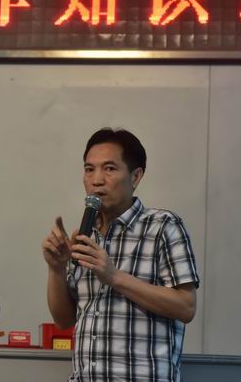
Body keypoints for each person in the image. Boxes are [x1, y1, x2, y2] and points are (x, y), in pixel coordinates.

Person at [42, 128, 200, 382]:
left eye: (109, 168)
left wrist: (114, 277)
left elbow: (186, 306)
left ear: (136, 176)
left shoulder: (163, 226)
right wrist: (56, 269)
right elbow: (64, 320)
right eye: (89, 169)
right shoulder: (85, 236)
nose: (96, 180)